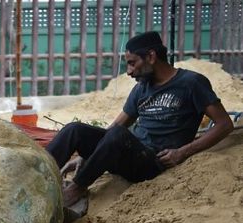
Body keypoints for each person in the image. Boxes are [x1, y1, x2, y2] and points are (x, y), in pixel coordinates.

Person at [46, 31, 233, 208]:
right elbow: (116, 125)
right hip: (128, 155)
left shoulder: (191, 83)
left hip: (154, 162)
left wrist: (182, 152)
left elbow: (224, 124)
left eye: (132, 63)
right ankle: (38, 179)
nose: (129, 71)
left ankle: (76, 189)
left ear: (151, 57)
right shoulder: (141, 88)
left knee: (119, 135)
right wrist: (86, 156)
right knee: (74, 129)